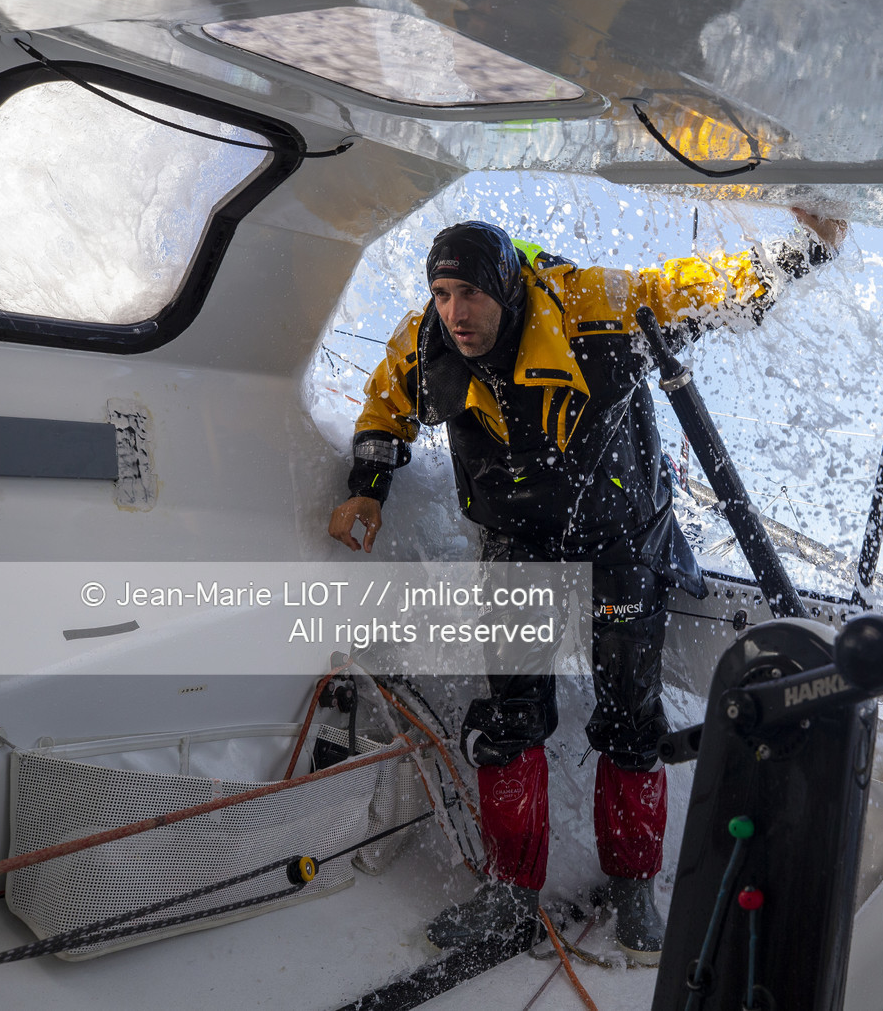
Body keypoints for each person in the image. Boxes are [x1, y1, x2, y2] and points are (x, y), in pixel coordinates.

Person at [329, 209, 845, 962]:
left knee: (631, 720)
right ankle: (510, 894)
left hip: (620, 540)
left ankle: (634, 891)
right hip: (517, 541)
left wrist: (807, 250)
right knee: (511, 718)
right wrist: (367, 488)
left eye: (471, 293)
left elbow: (701, 289)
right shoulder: (425, 341)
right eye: (442, 294)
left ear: (508, 287)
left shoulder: (593, 306)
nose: (456, 312)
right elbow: (385, 408)